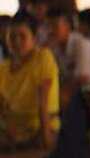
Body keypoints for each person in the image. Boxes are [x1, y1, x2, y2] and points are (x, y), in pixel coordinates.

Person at [0, 11, 59, 150]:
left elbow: (43, 104)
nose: (16, 42)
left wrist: (47, 143)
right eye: (12, 37)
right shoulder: (3, 68)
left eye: (22, 36)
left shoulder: (43, 58)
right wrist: (6, 130)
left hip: (40, 129)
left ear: (34, 38)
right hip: (12, 133)